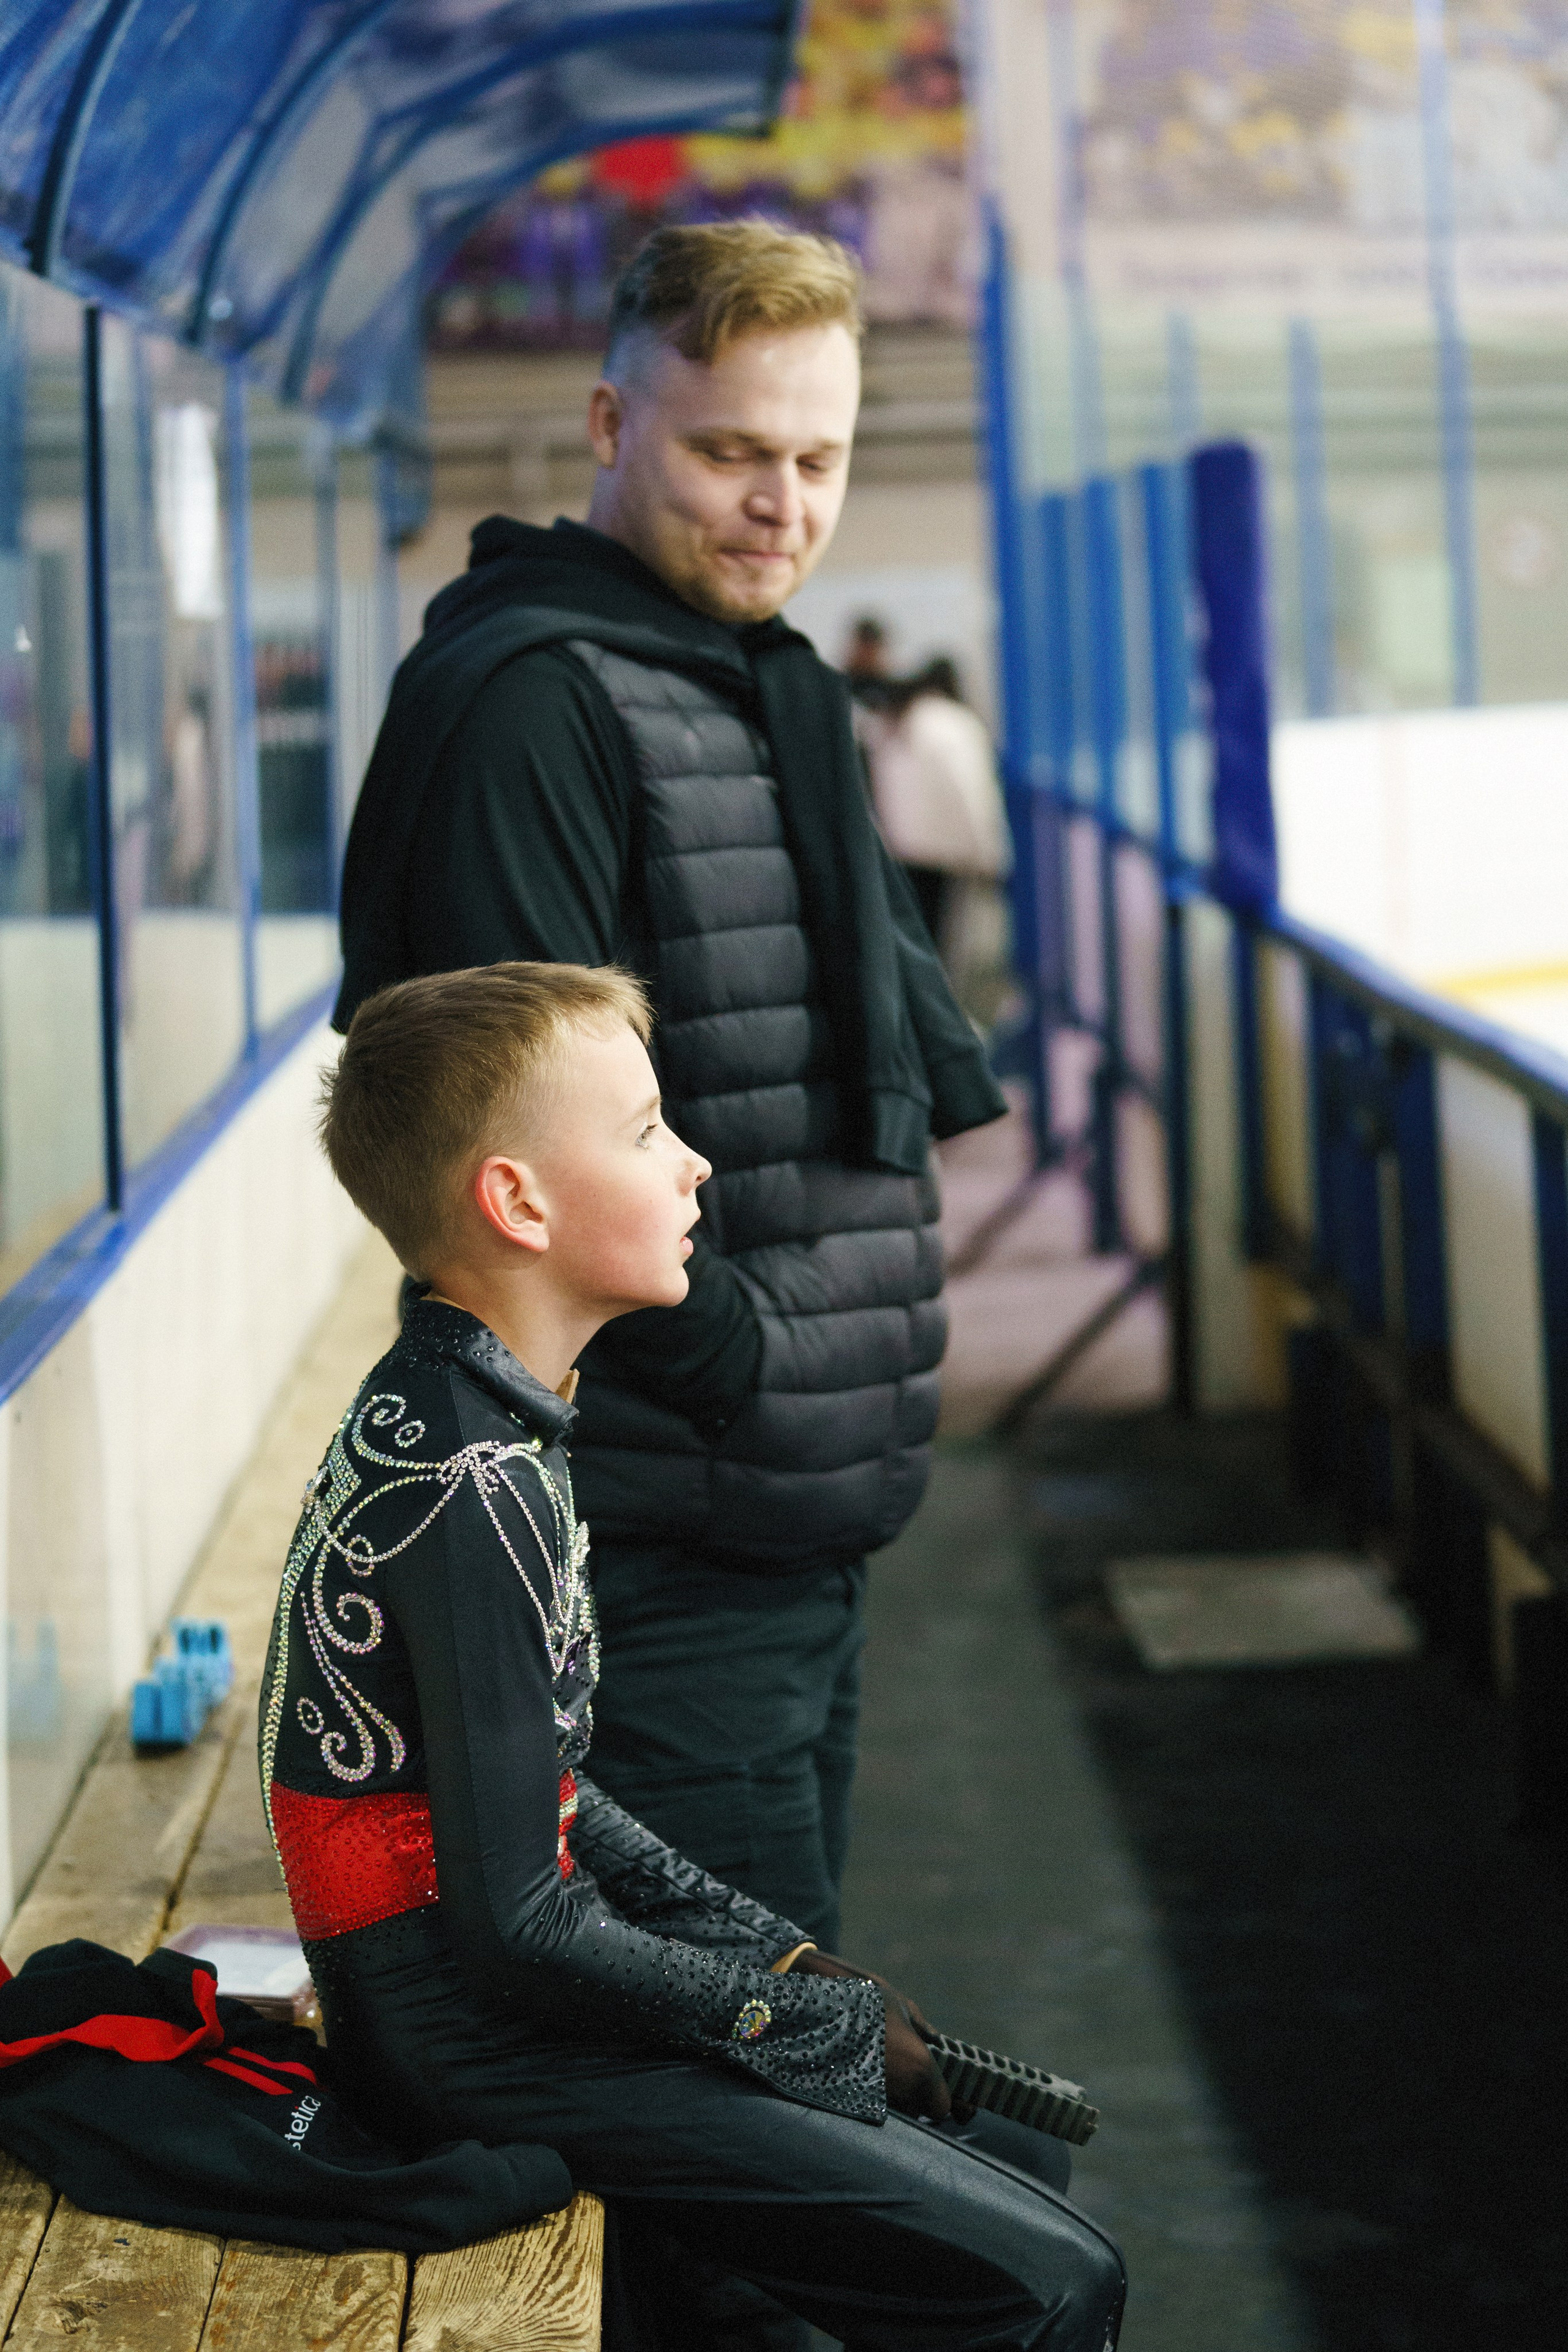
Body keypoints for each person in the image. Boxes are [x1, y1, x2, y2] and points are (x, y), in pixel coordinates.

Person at [263, 959, 1126, 2351]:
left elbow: (550, 1799)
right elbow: (519, 1921)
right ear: (518, 1201)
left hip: (480, 2020)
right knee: (1047, 2280)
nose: (693, 1161)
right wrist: (790, 2022)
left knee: (1024, 2175)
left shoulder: (481, 1413)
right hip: (466, 2052)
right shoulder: (468, 1482)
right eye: (647, 1129)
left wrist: (785, 1958)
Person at [333, 221, 1006, 1972]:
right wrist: (743, 1372)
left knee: (783, 2020)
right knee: (746, 2084)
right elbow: (505, 1154)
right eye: (729, 452)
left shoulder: (757, 678)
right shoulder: (535, 706)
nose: (783, 503)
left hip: (786, 1505)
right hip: (665, 1526)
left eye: (821, 458)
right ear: (607, 422)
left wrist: (792, 1407)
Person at [861, 655, 1011, 976]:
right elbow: (972, 792)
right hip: (945, 855)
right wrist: (991, 854)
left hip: (897, 851)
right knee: (943, 949)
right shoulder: (955, 724)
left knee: (907, 943)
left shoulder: (891, 721)